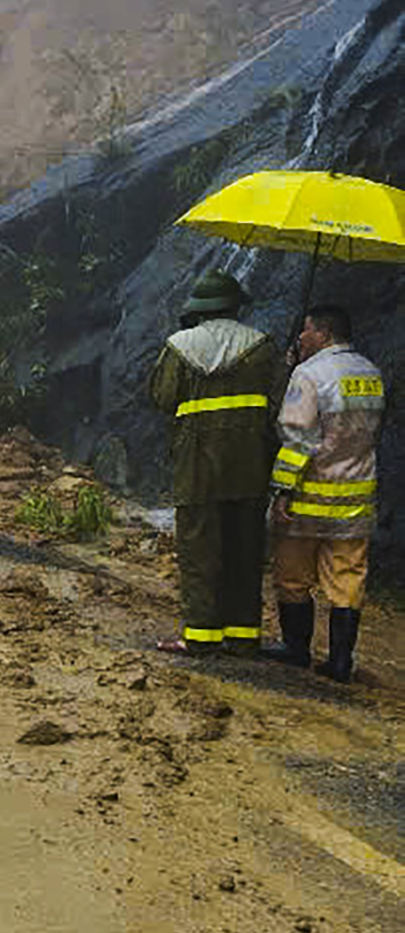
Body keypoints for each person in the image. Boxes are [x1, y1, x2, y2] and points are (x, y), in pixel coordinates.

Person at [147, 269, 283, 654]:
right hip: (250, 466)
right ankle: (243, 638)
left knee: (199, 549)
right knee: (245, 549)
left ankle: (202, 636)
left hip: (196, 465)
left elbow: (161, 396)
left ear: (199, 308)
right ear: (235, 306)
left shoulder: (179, 346)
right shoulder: (262, 347)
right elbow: (279, 403)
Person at [263, 305, 385, 681]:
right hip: (355, 499)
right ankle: (340, 662)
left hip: (309, 500)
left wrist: (282, 489)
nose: (301, 337)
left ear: (324, 334)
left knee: (293, 575)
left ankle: (296, 649)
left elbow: (298, 438)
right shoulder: (370, 373)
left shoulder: (309, 375)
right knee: (347, 579)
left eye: (306, 330)